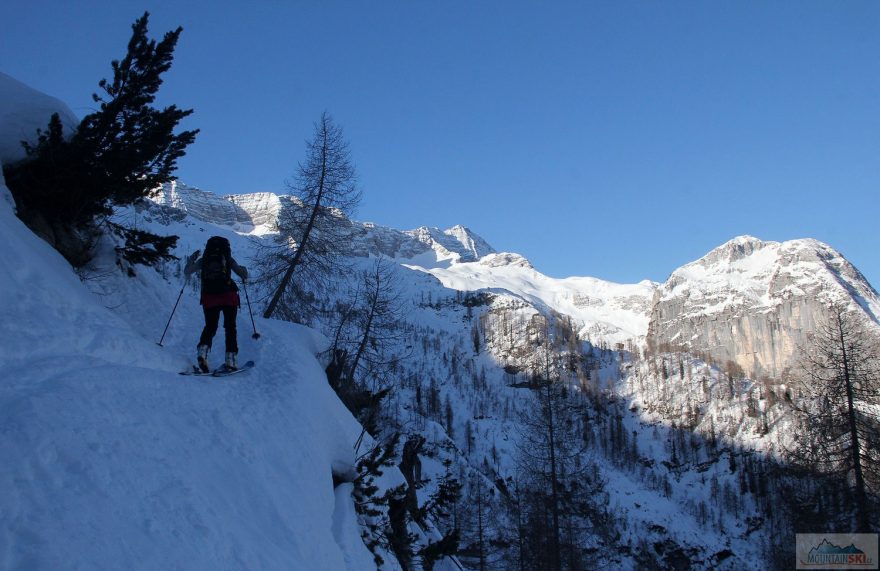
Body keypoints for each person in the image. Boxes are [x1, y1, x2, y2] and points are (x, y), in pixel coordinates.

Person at [184, 236, 248, 372]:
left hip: (209, 297)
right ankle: (231, 360)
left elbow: (187, 271)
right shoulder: (228, 259)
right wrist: (244, 270)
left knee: (210, 326)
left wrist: (191, 260)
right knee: (230, 327)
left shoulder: (204, 260)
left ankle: (202, 352)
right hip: (228, 296)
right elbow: (243, 274)